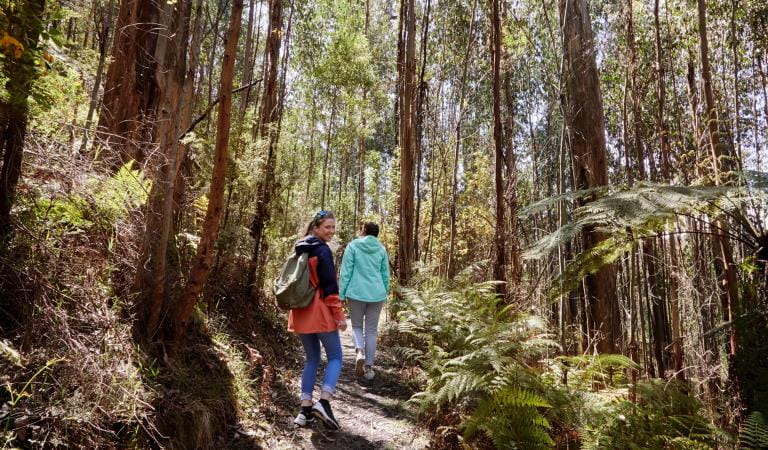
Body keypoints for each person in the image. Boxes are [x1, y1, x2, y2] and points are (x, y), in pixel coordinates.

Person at [289, 210, 347, 430]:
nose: (331, 231)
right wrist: (339, 315)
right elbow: (330, 287)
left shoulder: (300, 248)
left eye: (333, 227)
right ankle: (323, 402)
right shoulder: (322, 251)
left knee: (312, 359)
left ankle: (304, 412)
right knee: (335, 357)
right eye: (327, 227)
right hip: (320, 311)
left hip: (300, 312)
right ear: (316, 228)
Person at [339, 222, 390, 381]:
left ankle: (359, 351)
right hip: (377, 294)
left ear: (364, 231)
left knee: (356, 325)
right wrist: (385, 291)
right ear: (377, 234)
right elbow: (385, 274)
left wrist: (341, 294)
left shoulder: (353, 246)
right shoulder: (381, 249)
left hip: (356, 293)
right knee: (371, 330)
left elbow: (346, 271)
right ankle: (368, 367)